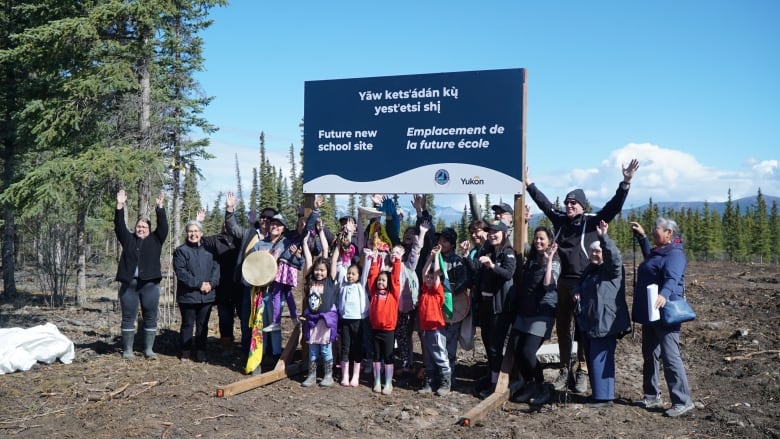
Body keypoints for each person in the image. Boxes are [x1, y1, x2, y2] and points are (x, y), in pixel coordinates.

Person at [525, 159, 639, 393]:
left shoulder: (592, 221)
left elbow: (613, 208)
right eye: (567, 202)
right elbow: (545, 205)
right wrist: (529, 185)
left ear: (582, 206)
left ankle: (582, 371)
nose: (569, 206)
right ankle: (565, 369)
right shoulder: (560, 222)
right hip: (562, 284)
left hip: (585, 284)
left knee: (583, 329)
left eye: (574, 203)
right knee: (563, 329)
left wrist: (625, 183)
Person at [631, 218, 695, 417]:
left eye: (655, 229)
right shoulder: (659, 251)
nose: (653, 231)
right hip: (651, 312)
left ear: (669, 232)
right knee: (649, 354)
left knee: (670, 356)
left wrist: (664, 295)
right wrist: (642, 237)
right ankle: (651, 395)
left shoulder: (675, 254)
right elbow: (652, 261)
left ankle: (682, 400)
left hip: (666, 312)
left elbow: (672, 278)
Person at [574, 220, 631, 408]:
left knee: (601, 358)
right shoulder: (591, 269)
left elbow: (613, 256)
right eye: (592, 251)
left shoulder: (612, 270)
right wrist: (576, 292)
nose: (595, 254)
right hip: (589, 321)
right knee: (592, 357)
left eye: (598, 251)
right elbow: (581, 285)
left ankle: (604, 397)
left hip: (605, 321)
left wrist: (603, 238)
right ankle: (598, 394)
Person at [114, 189, 168, 360]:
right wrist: (120, 205)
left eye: (144, 227)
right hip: (129, 285)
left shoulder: (156, 240)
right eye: (138, 226)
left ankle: (148, 350)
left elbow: (164, 226)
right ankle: (128, 350)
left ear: (149, 230)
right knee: (128, 316)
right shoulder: (128, 239)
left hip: (150, 285)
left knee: (150, 316)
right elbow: (119, 225)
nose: (141, 229)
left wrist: (160, 207)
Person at [510, 227, 560, 405]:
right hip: (525, 311)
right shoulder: (531, 256)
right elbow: (519, 242)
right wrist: (523, 222)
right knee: (516, 349)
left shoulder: (554, 261)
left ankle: (542, 386)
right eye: (536, 238)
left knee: (528, 352)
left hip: (542, 313)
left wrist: (549, 261)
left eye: (542, 239)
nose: (538, 242)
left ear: (549, 241)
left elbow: (548, 284)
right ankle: (529, 384)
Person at [474, 221, 517, 395]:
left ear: (504, 233)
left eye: (496, 232)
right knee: (487, 343)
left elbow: (508, 274)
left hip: (499, 307)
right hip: (485, 305)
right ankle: (492, 378)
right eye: (490, 232)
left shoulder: (508, 253)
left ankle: (498, 383)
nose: (492, 234)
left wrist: (491, 265)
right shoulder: (487, 250)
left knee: (495, 346)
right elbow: (476, 272)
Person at [172, 220, 220, 362]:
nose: (193, 234)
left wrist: (211, 284)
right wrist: (199, 284)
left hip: (207, 296)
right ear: (187, 234)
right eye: (190, 231)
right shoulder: (181, 251)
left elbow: (216, 270)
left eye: (196, 231)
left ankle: (200, 351)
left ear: (201, 233)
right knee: (187, 323)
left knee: (202, 325)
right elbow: (181, 273)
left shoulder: (210, 251)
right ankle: (186, 350)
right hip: (188, 296)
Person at [196, 209, 242, 356]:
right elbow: (199, 239)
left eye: (229, 223)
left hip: (241, 286)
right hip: (222, 287)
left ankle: (247, 345)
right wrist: (199, 222)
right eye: (225, 223)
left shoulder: (241, 240)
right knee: (225, 318)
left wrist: (254, 223)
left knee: (245, 317)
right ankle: (227, 346)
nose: (226, 225)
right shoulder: (216, 239)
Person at [300, 224, 339, 387]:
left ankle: (328, 375)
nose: (319, 273)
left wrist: (322, 232)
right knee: (313, 350)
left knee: (325, 349)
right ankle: (311, 375)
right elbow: (309, 259)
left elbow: (328, 252)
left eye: (322, 270)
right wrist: (304, 243)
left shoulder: (330, 281)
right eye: (317, 270)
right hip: (312, 320)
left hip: (326, 320)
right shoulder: (310, 280)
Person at [435, 227, 471, 382]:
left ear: (451, 243)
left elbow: (464, 281)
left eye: (444, 241)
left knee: (451, 341)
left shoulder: (458, 261)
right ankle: (438, 372)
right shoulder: (436, 258)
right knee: (438, 340)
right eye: (439, 240)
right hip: (437, 305)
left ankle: (449, 375)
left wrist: (450, 292)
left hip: (453, 307)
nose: (440, 243)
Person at [366, 245, 402, 395]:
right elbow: (372, 277)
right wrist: (374, 261)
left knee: (388, 356)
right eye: (379, 280)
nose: (380, 282)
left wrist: (397, 262)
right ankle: (377, 380)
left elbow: (395, 278)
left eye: (383, 281)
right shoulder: (374, 292)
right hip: (375, 329)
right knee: (376, 356)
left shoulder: (393, 294)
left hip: (388, 330)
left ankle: (388, 382)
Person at [417, 245, 451, 396]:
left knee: (440, 354)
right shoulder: (424, 289)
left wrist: (437, 256)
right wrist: (430, 257)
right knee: (429, 356)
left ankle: (445, 382)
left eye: (431, 278)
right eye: (427, 278)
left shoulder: (437, 291)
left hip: (437, 328)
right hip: (425, 329)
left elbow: (436, 274)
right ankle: (429, 382)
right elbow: (424, 271)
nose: (429, 278)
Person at [334, 244, 370, 387]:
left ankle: (355, 376)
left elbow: (366, 272)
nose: (350, 276)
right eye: (349, 273)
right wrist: (342, 254)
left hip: (359, 320)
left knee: (357, 347)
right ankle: (345, 375)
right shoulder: (343, 286)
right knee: (345, 347)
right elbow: (341, 267)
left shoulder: (360, 286)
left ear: (358, 276)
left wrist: (367, 257)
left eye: (353, 274)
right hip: (345, 320)